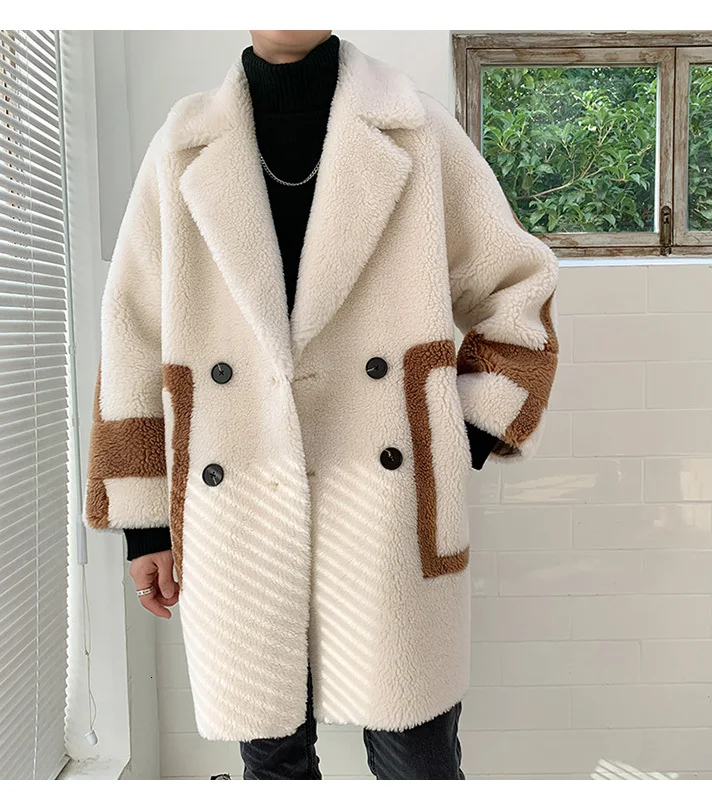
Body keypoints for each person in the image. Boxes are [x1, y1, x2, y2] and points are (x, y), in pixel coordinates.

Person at [83, 30, 559, 780]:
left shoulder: (415, 130)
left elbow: (519, 290)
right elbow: (132, 337)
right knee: (273, 763)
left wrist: (457, 434)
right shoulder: (183, 145)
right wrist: (144, 525)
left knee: (417, 763)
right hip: (236, 510)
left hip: (388, 509)